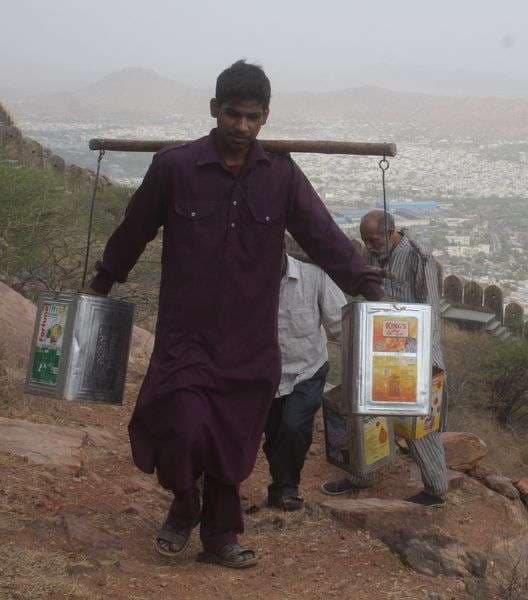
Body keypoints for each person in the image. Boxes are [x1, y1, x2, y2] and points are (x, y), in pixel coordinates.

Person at [85, 60, 383, 568]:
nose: (241, 126)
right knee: (180, 427)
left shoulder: (281, 176)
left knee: (230, 442)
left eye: (252, 117)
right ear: (214, 110)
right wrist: (103, 280)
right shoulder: (175, 168)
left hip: (250, 341)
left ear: (265, 118)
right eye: (232, 114)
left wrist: (366, 285)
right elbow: (135, 228)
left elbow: (322, 235)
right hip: (186, 335)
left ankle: (219, 536)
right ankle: (184, 502)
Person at [321, 210, 449, 507]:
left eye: (374, 239)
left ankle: (435, 489)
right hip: (378, 349)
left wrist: (424, 363)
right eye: (365, 240)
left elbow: (430, 314)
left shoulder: (420, 259)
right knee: (365, 412)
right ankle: (362, 475)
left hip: (415, 356)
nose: (369, 245)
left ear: (392, 232)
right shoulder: (371, 254)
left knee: (419, 423)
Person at [263, 246, 346, 511]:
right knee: (274, 433)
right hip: (265, 373)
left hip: (307, 369)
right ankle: (279, 488)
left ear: (282, 248)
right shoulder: (246, 278)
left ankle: (289, 488)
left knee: (294, 426)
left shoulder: (314, 278)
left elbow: (341, 326)